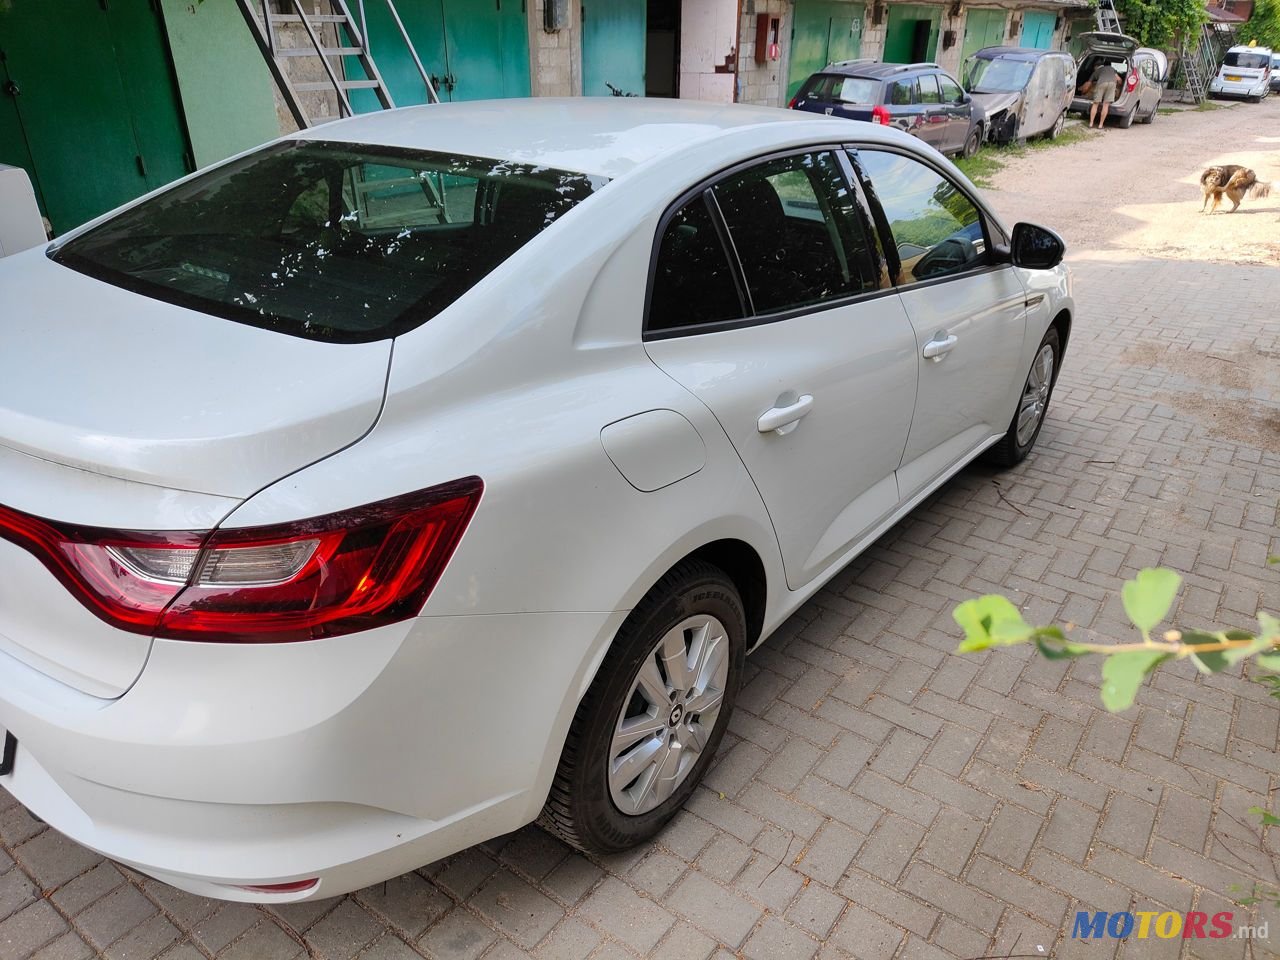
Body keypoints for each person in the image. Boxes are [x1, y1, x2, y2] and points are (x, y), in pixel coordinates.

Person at [1087, 60, 1120, 128]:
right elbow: (1119, 80)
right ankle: (1100, 125)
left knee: (1095, 104)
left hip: (1101, 83)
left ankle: (1091, 123)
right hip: (1112, 84)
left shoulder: (1096, 71)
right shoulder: (1112, 69)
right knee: (1106, 105)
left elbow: (1088, 84)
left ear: (1096, 66)